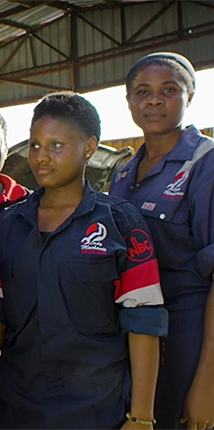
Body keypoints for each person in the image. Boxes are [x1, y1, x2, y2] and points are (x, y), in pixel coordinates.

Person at [0, 91, 167, 429]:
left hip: (98, 410)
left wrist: (141, 416)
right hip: (17, 407)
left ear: (89, 147)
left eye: (56, 146)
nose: (41, 158)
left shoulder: (120, 223)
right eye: (35, 145)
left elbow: (144, 322)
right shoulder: (8, 225)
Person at [109, 52, 214, 430]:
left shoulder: (205, 162)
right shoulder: (122, 172)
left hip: (189, 334)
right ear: (129, 102)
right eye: (143, 91)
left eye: (169, 90)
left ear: (190, 96)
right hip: (137, 335)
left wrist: (207, 379)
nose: (154, 99)